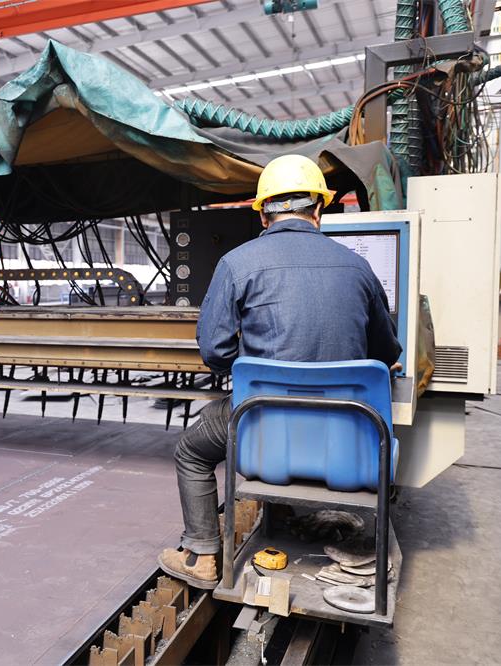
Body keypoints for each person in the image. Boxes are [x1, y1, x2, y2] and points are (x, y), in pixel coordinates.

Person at [157, 154, 402, 588]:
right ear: (319, 210)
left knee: (191, 451)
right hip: (348, 439)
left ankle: (203, 555)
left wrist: (256, 364)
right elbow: (386, 353)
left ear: (263, 215)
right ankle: (288, 514)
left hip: (264, 433)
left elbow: (214, 350)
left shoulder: (237, 263)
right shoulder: (358, 266)